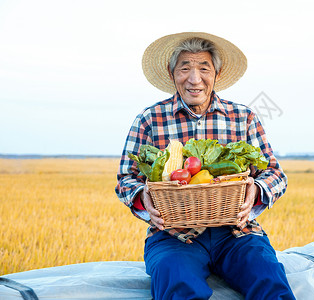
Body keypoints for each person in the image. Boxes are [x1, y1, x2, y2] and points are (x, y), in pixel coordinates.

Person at [115, 32, 295, 300]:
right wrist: (143, 196)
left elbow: (275, 174)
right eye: (184, 68)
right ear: (171, 73)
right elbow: (125, 178)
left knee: (269, 279)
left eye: (203, 68)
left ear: (217, 74)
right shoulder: (149, 119)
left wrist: (255, 190)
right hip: (173, 236)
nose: (194, 79)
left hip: (238, 233)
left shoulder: (243, 117)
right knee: (178, 283)